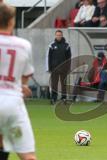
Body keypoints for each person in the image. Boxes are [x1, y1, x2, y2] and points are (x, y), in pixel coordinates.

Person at [0, 3, 36, 160]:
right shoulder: (24, 45)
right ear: (11, 21)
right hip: (12, 103)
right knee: (28, 156)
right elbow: (25, 76)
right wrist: (23, 86)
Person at [47, 30, 72, 105]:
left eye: (60, 35)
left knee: (64, 84)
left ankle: (64, 98)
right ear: (55, 36)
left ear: (62, 35)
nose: (58, 36)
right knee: (54, 84)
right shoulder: (51, 45)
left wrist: (68, 68)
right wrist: (49, 68)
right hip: (54, 68)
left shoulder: (67, 45)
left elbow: (69, 58)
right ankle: (54, 98)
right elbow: (49, 57)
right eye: (57, 35)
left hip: (64, 68)